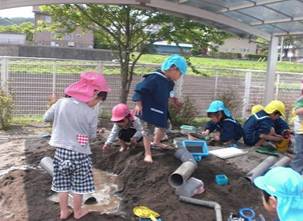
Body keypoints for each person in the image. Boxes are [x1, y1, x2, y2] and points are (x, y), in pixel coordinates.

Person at [43, 71, 110, 220]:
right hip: (80, 154)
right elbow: (91, 135)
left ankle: (64, 211)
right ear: (94, 94)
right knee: (78, 186)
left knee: (62, 184)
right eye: (98, 100)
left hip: (61, 153)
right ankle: (78, 212)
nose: (97, 104)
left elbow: (46, 117)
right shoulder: (90, 113)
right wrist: (81, 134)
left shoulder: (61, 103)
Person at [132, 54, 187, 163]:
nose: (180, 76)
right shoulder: (153, 77)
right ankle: (148, 153)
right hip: (148, 108)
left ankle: (156, 142)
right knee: (148, 131)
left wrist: (174, 100)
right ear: (173, 68)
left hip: (160, 108)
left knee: (164, 125)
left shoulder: (169, 81)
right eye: (180, 73)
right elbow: (139, 90)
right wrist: (138, 104)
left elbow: (169, 94)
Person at [290, 87, 303, 174]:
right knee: (299, 152)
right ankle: (296, 171)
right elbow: (297, 111)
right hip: (301, 131)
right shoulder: (301, 99)